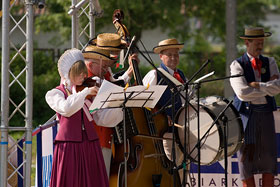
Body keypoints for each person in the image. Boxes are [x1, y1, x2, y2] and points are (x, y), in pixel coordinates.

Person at [45, 48, 122, 187]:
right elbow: (66, 108)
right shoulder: (55, 93)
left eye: (83, 73)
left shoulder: (84, 92)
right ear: (69, 73)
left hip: (90, 144)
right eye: (79, 73)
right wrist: (85, 93)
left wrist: (118, 104)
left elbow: (100, 118)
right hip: (69, 146)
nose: (83, 76)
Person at [82, 33, 139, 179]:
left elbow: (115, 83)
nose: (111, 61)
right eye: (109, 55)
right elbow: (113, 89)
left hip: (106, 135)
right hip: (96, 137)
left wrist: (130, 72)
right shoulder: (89, 79)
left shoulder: (103, 71)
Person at [230, 27, 280, 187]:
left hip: (266, 115)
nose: (260, 46)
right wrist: (267, 88)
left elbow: (277, 88)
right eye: (257, 43)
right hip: (246, 117)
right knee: (246, 159)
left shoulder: (270, 62)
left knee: (269, 159)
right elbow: (242, 93)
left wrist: (257, 85)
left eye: (262, 42)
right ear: (247, 43)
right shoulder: (237, 64)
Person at [142, 38, 187, 171]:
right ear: (161, 56)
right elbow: (144, 103)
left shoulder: (181, 75)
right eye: (170, 55)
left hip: (180, 131)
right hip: (165, 133)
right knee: (171, 168)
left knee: (182, 169)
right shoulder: (154, 74)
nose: (174, 58)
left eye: (176, 54)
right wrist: (161, 116)